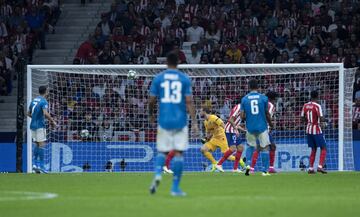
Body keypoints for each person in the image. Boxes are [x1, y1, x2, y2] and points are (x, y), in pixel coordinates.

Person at [149, 51, 198, 196]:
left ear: (166, 63)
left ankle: (158, 174)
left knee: (162, 151)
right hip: (180, 121)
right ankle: (175, 187)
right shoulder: (184, 79)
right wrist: (194, 122)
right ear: (178, 62)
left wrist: (150, 114)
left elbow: (151, 101)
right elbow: (189, 102)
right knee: (178, 153)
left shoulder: (158, 78)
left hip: (164, 120)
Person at [241, 79, 273, 176]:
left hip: (250, 127)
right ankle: (265, 171)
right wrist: (271, 124)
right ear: (258, 87)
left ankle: (248, 164)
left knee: (250, 146)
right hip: (262, 126)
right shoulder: (263, 98)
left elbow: (242, 116)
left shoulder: (244, 99)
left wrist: (249, 117)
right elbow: (267, 113)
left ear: (249, 87)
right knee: (264, 147)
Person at [27, 86, 56, 173]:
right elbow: (45, 113)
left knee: (36, 144)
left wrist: (35, 118)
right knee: (42, 145)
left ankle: (35, 164)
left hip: (32, 125)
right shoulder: (44, 101)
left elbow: (28, 113)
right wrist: (53, 121)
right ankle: (42, 166)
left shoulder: (34, 100)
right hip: (40, 126)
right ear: (46, 92)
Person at [248, 91, 278, 173]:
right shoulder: (270, 105)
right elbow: (267, 115)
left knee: (271, 146)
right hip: (264, 129)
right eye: (275, 99)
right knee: (261, 148)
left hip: (255, 127)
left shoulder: (260, 102)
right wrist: (272, 125)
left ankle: (269, 168)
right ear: (273, 99)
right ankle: (253, 168)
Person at [200, 107, 236, 172]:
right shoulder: (205, 122)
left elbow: (223, 125)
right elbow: (210, 133)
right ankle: (215, 164)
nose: (200, 112)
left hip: (222, 138)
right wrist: (206, 139)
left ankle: (241, 161)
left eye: (201, 111)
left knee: (228, 157)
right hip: (214, 139)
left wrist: (229, 135)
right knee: (203, 149)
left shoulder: (213, 117)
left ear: (204, 112)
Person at [217, 99, 247, 173]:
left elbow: (236, 123)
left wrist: (243, 130)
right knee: (233, 148)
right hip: (229, 130)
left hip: (233, 129)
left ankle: (235, 168)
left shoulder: (243, 109)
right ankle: (219, 164)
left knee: (240, 148)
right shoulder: (238, 108)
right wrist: (235, 129)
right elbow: (230, 120)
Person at [301, 90, 327, 174]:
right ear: (317, 96)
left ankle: (311, 168)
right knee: (323, 148)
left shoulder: (305, 105)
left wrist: (309, 122)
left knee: (313, 149)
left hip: (308, 129)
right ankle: (320, 166)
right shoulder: (317, 106)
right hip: (316, 129)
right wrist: (326, 120)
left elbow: (302, 117)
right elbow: (321, 118)